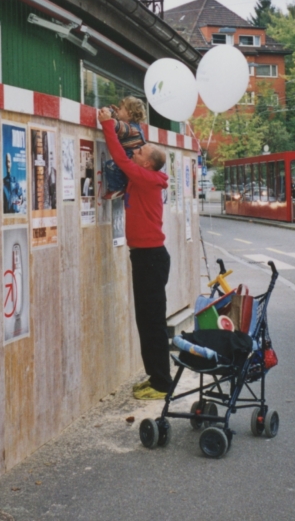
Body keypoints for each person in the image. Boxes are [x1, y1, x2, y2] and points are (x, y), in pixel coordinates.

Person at [98, 105, 171, 401]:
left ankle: (162, 383)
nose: (136, 152)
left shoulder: (145, 178)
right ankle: (156, 377)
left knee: (152, 322)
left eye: (141, 152)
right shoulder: (145, 177)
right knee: (147, 320)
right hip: (146, 257)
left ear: (149, 165)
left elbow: (119, 157)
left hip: (151, 258)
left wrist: (106, 125)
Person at [101, 97, 147, 200]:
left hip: (131, 157)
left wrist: (107, 116)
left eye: (121, 108)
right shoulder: (136, 127)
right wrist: (115, 114)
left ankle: (117, 188)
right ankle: (125, 186)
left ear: (129, 113)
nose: (118, 110)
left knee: (111, 166)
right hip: (132, 160)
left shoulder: (129, 128)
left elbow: (117, 126)